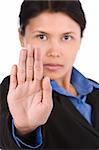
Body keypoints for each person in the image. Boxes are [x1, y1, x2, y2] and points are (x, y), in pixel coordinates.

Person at [0, 0, 99, 149]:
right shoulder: (14, 91)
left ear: (80, 39)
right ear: (22, 37)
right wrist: (24, 129)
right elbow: (4, 133)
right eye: (42, 36)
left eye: (66, 37)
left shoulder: (95, 89)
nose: (54, 52)